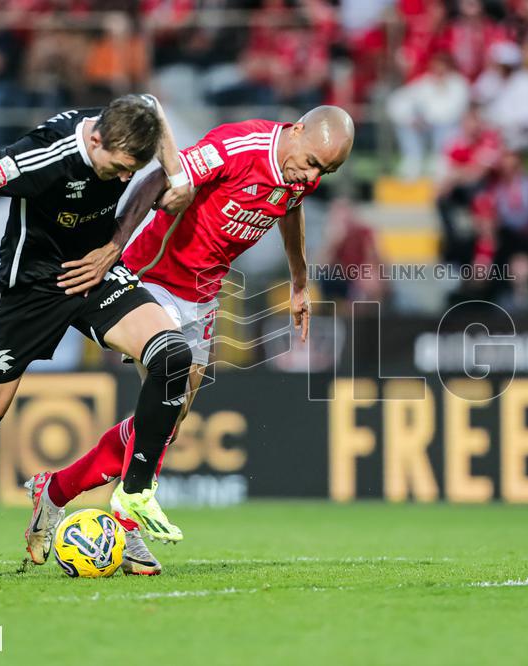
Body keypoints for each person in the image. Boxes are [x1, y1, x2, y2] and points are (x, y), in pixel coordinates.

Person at [0, 95, 195, 580]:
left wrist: (176, 174)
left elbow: (151, 103)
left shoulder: (126, 127)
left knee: (173, 354)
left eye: (134, 170)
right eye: (120, 168)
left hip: (92, 276)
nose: (126, 179)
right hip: (28, 293)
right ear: (95, 139)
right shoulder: (46, 155)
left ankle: (135, 490)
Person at [24, 106, 355, 575]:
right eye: (315, 162)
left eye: (326, 171)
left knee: (167, 423)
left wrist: (300, 281)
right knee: (164, 401)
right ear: (298, 129)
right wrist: (113, 248)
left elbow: (291, 208)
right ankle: (128, 523)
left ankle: (54, 490)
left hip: (201, 293)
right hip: (150, 278)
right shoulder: (239, 147)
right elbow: (161, 176)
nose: (313, 174)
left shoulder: (302, 170)